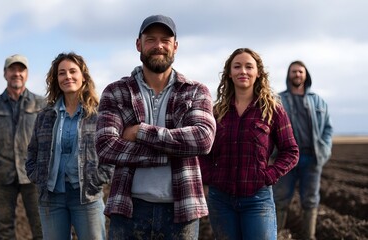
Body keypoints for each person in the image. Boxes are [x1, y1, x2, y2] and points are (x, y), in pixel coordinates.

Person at [95, 15, 216, 239]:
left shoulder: (195, 91)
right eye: (150, 39)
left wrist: (141, 131)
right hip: (129, 209)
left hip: (182, 210)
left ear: (175, 47)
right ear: (138, 44)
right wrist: (169, 153)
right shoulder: (116, 91)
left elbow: (203, 139)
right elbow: (106, 146)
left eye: (165, 40)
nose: (158, 46)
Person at [199, 48, 299, 240]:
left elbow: (291, 151)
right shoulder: (215, 111)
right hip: (221, 200)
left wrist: (269, 175)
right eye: (237, 66)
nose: (242, 71)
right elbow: (202, 150)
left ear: (258, 72)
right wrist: (210, 176)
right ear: (229, 73)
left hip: (257, 200)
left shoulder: (273, 111)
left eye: (248, 66)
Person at [25, 52, 114, 240]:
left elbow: (112, 151)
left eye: (73, 71)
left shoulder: (99, 114)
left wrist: (99, 178)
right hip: (51, 197)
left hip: (86, 196)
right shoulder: (45, 115)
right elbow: (32, 151)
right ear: (56, 79)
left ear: (83, 76)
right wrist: (36, 175)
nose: (68, 77)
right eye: (62, 73)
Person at [0, 54, 44, 239]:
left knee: (42, 229)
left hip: (33, 177)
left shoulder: (42, 104)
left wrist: (42, 167)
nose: (17, 73)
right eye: (12, 69)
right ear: (5, 74)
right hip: (2, 177)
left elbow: (50, 139)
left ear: (27, 74)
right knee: (4, 231)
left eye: (21, 69)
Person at [273, 60, 333, 239]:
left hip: (311, 158)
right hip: (285, 158)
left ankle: (309, 236)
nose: (297, 74)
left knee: (310, 200)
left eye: (300, 71)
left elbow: (328, 128)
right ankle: (276, 235)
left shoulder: (318, 101)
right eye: (294, 71)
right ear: (288, 75)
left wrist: (325, 148)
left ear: (305, 75)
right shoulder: (278, 100)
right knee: (280, 199)